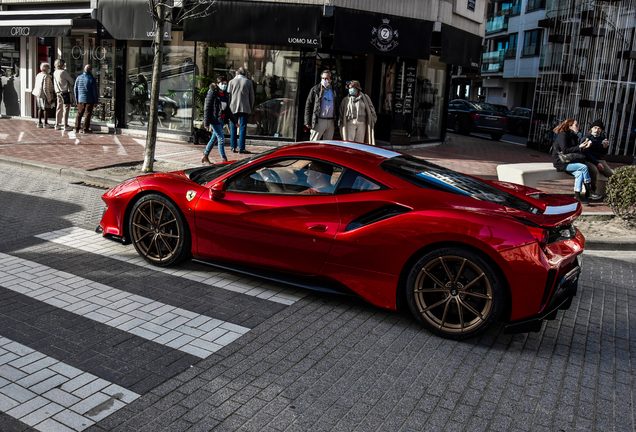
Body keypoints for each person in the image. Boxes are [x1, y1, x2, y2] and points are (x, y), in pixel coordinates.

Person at [551, 119, 603, 205]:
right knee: (584, 167)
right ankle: (589, 191)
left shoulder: (573, 136)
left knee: (579, 173)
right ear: (570, 126)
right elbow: (565, 150)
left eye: (578, 125)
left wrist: (584, 147)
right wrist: (579, 147)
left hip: (570, 161)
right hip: (561, 162)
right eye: (576, 125)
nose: (578, 127)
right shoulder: (563, 135)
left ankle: (577, 196)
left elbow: (576, 150)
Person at [202, 76, 237, 164]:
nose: (224, 86)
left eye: (225, 84)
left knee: (214, 139)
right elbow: (207, 107)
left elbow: (227, 109)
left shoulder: (225, 95)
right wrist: (206, 122)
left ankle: (205, 156)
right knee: (221, 138)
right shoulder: (212, 92)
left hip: (221, 120)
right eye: (222, 84)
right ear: (218, 84)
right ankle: (224, 159)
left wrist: (234, 121)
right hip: (214, 119)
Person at [339, 80, 377, 145]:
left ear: (357, 88)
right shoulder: (346, 99)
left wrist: (372, 120)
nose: (350, 90)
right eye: (349, 88)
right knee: (349, 143)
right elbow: (341, 112)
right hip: (350, 122)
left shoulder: (365, 98)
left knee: (359, 144)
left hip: (362, 123)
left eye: (352, 88)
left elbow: (371, 109)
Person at [304, 70, 339, 141]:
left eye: (326, 78)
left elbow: (337, 105)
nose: (324, 80)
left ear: (331, 79)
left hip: (331, 121)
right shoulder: (315, 89)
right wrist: (307, 121)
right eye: (322, 78)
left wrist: (337, 121)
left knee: (328, 144)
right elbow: (309, 105)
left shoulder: (334, 90)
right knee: (314, 142)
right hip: (318, 120)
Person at [582, 120, 614, 195]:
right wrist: (597, 163)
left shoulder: (602, 138)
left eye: (599, 128)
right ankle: (592, 189)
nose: (597, 130)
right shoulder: (587, 138)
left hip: (599, 159)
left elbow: (603, 153)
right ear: (591, 129)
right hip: (588, 159)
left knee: (611, 175)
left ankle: (612, 192)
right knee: (594, 170)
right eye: (595, 128)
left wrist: (605, 147)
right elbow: (586, 153)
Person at [227, 67, 254, 154]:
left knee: (233, 128)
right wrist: (251, 107)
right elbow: (252, 97)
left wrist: (228, 109)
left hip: (233, 107)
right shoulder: (248, 82)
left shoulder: (231, 82)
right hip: (245, 107)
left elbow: (228, 96)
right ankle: (241, 148)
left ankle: (233, 147)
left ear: (236, 73)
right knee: (243, 128)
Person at [73, 64, 99, 134]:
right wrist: (96, 101)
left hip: (80, 98)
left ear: (84, 70)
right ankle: (85, 128)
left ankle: (76, 128)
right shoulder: (91, 79)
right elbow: (94, 91)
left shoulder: (78, 78)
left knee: (79, 114)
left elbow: (75, 89)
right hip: (89, 99)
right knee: (88, 114)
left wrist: (76, 99)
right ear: (91, 70)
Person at [52, 59, 75, 131]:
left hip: (58, 91)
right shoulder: (63, 72)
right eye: (64, 64)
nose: (65, 65)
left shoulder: (55, 72)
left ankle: (57, 124)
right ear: (61, 65)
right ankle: (65, 124)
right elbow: (71, 81)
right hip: (65, 92)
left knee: (59, 107)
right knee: (66, 108)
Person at [32, 62, 55, 128]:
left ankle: (39, 122)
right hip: (44, 95)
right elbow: (46, 88)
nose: (49, 69)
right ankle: (45, 123)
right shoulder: (46, 76)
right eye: (48, 68)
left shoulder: (38, 74)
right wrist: (49, 98)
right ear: (46, 69)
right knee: (46, 109)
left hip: (38, 94)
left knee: (40, 108)